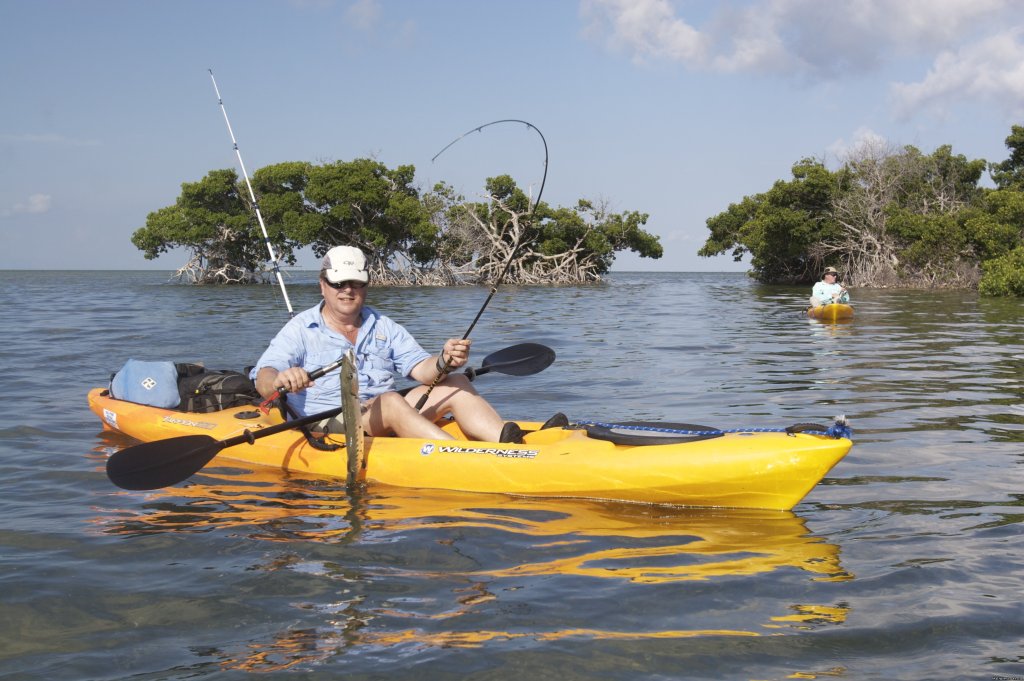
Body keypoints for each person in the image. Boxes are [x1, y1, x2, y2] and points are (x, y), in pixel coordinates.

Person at [252, 246, 530, 443]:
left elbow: (422, 369)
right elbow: (263, 377)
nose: (348, 290)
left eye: (356, 283)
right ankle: (462, 456)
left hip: (381, 411)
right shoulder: (301, 328)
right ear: (323, 285)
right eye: (339, 283)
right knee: (392, 402)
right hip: (328, 421)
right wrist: (281, 379)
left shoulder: (383, 324)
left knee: (456, 381)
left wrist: (445, 360)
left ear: (366, 286)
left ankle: (511, 447)